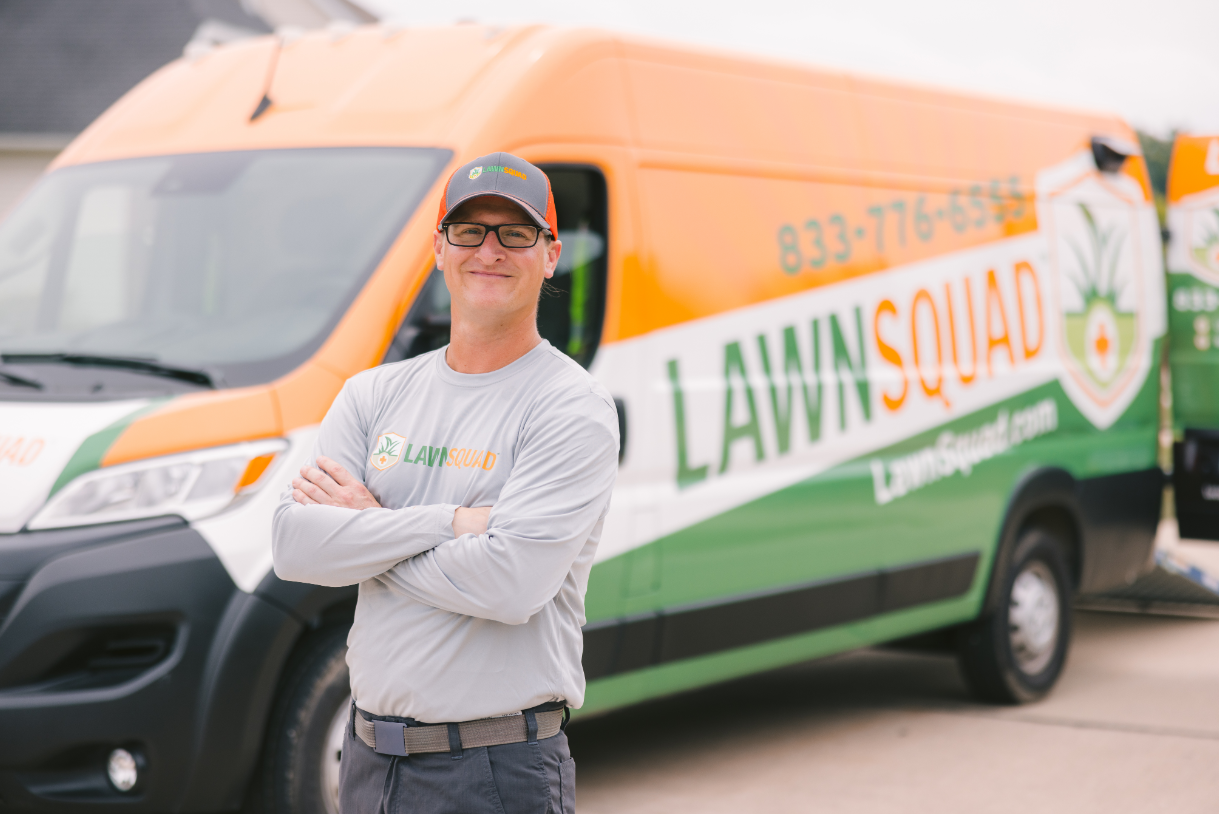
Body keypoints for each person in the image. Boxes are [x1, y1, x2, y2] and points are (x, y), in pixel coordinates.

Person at [271, 152, 619, 814]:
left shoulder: (569, 407)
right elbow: (295, 547)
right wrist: (450, 523)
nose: (489, 250)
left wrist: (366, 529)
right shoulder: (373, 393)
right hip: (369, 762)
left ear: (550, 255)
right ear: (438, 248)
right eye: (469, 231)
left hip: (494, 772)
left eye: (514, 233)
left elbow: (510, 582)